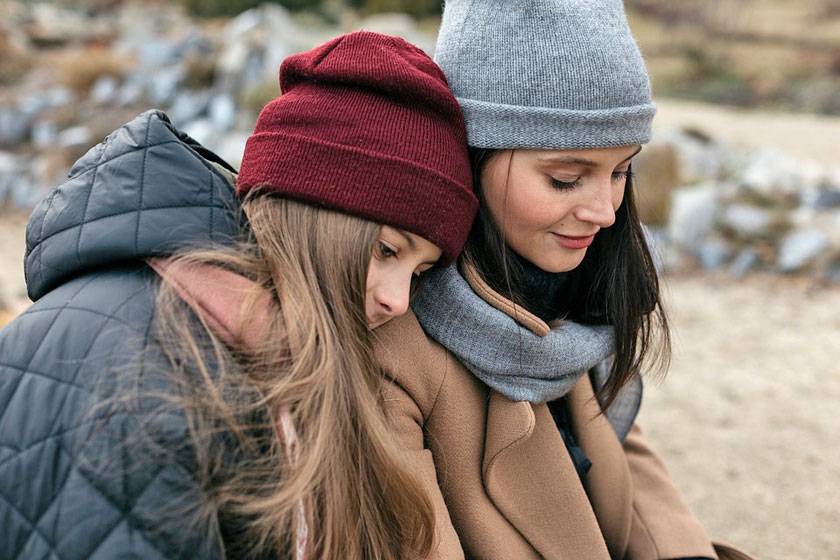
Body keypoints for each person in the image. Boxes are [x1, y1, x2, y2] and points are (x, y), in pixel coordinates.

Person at [0, 32, 477, 560]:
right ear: (311, 212)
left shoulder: (247, 347)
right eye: (387, 250)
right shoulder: (142, 373)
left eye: (419, 272)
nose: (398, 301)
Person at [372, 2, 755, 559]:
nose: (605, 213)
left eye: (621, 171)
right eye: (566, 179)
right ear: (473, 157)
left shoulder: (582, 289)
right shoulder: (392, 338)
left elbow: (623, 451)